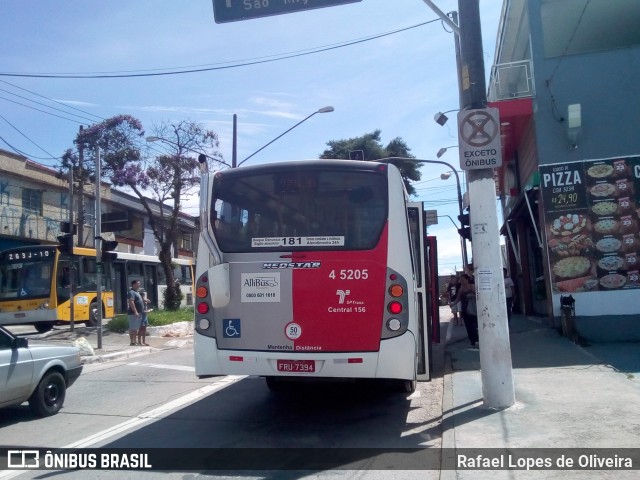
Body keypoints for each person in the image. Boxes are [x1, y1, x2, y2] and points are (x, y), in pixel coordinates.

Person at [456, 273, 479, 347]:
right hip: (465, 309)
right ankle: (472, 340)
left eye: (463, 280)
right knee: (468, 326)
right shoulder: (461, 289)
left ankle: (477, 339)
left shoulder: (473, 286)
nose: (461, 282)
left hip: (474, 308)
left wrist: (471, 295)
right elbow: (458, 298)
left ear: (467, 279)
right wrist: (453, 304)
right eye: (460, 280)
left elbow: (479, 295)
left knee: (474, 325)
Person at [127, 280, 144, 346]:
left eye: (139, 283)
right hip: (133, 313)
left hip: (138, 313)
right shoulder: (131, 292)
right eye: (138, 283)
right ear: (133, 284)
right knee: (132, 328)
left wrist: (144, 300)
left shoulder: (136, 292)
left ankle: (134, 341)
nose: (139, 285)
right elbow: (131, 302)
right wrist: (135, 312)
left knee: (135, 328)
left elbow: (137, 300)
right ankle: (132, 342)